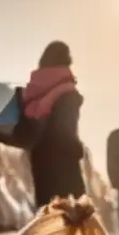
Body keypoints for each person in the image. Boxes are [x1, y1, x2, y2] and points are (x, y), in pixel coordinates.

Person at [22, 40, 86, 208]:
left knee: (46, 213)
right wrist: (78, 150)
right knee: (74, 214)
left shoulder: (35, 88)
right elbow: (64, 129)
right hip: (63, 161)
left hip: (40, 158)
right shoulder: (66, 90)